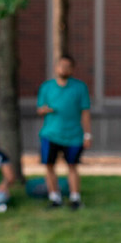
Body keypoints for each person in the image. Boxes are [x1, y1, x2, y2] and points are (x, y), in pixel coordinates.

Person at [37, 53, 92, 210]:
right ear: (56, 67)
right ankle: (54, 197)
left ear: (72, 69)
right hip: (50, 133)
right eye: (61, 66)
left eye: (68, 67)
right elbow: (39, 109)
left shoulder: (80, 87)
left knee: (72, 165)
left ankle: (75, 198)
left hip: (74, 135)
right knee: (49, 165)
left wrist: (87, 134)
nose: (64, 69)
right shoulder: (46, 87)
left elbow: (85, 112)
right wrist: (45, 110)